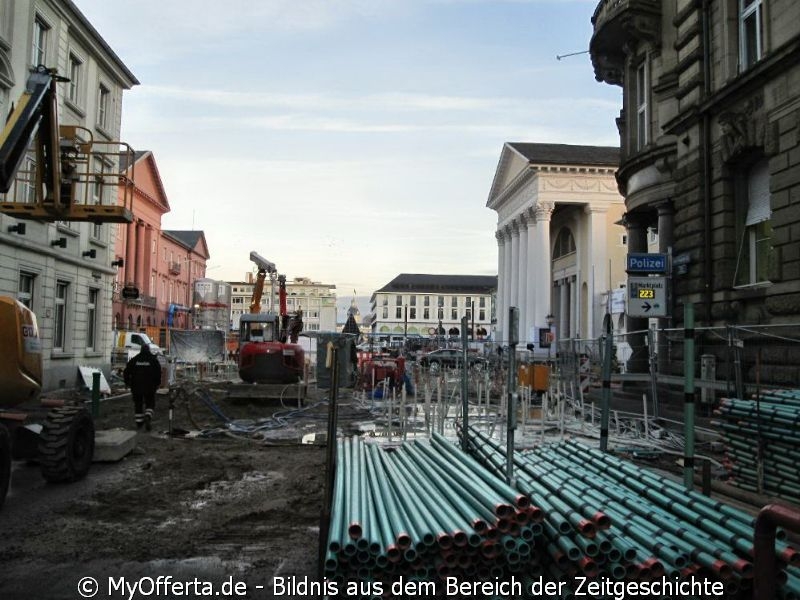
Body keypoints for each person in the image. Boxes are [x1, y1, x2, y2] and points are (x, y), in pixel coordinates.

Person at [123, 344, 162, 431]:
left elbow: (126, 371)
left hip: (136, 386)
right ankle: (148, 416)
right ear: (149, 350)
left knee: (138, 404)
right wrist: (157, 384)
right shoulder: (153, 360)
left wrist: (127, 382)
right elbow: (158, 373)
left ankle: (139, 423)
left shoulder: (135, 359)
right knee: (150, 403)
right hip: (150, 386)